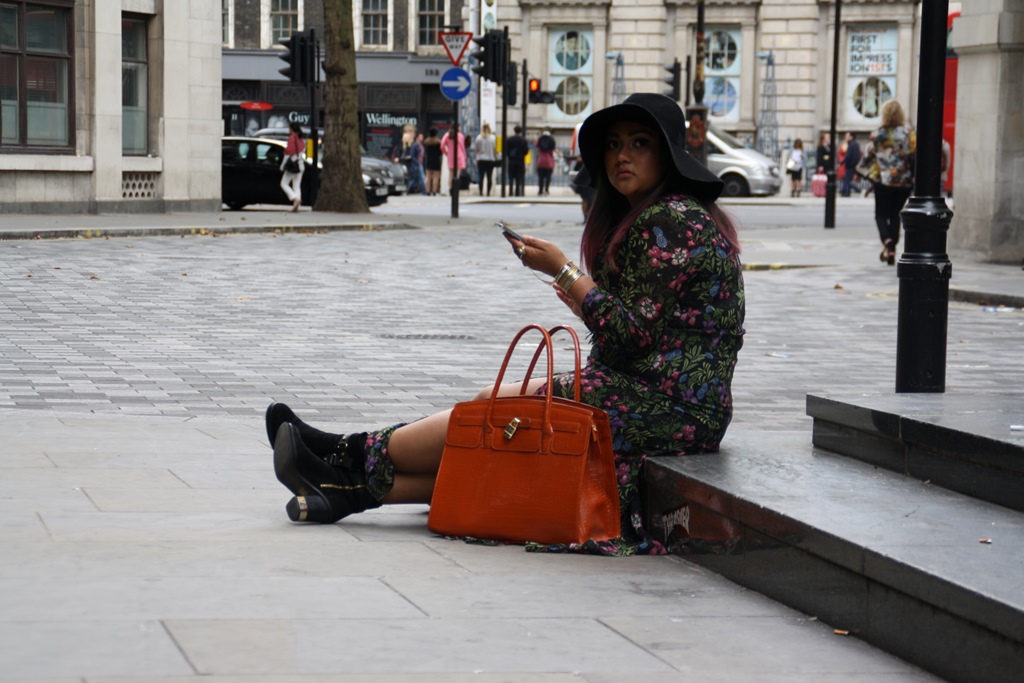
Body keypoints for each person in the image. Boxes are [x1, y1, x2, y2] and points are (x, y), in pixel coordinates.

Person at [266, 92, 745, 557]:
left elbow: (635, 336)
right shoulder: (667, 216)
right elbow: (652, 332)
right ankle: (345, 489)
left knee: (499, 418)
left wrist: (566, 272)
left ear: (669, 154)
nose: (623, 155)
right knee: (492, 415)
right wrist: (586, 302)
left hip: (670, 408)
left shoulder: (668, 219)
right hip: (657, 396)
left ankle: (342, 453)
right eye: (614, 144)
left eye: (640, 143)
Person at [866, 100, 915, 265]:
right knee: (896, 214)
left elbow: (870, 157)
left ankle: (886, 240)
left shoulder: (877, 135)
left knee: (880, 214)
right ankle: (892, 248)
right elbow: (913, 156)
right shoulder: (908, 134)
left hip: (883, 181)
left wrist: (863, 175)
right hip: (903, 181)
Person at [569, 121, 595, 219]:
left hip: (585, 177)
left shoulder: (583, 146)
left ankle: (586, 218)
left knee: (586, 199)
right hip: (588, 177)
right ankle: (587, 218)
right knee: (588, 199)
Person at [279, 122, 306, 212]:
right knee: (297, 186)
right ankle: (296, 206)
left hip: (292, 165)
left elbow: (288, 154)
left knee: (284, 184)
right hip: (300, 164)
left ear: (291, 129)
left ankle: (295, 199)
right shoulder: (301, 138)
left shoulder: (291, 138)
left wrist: (282, 166)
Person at [473, 123, 498, 196]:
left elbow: (476, 149)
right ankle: (488, 193)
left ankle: (481, 192)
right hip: (490, 160)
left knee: (481, 177)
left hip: (481, 159)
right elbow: (495, 149)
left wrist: (476, 158)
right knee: (489, 177)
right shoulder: (492, 138)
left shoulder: (479, 138)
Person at [441, 124, 467, 194]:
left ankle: (450, 189)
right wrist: (464, 157)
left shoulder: (447, 135)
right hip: (459, 156)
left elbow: (442, 146)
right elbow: (462, 147)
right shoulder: (460, 135)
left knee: (451, 174)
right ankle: (456, 189)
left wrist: (447, 153)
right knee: (457, 175)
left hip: (451, 156)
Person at [505, 125, 529, 197]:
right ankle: (518, 192)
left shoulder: (509, 139)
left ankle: (510, 191)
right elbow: (526, 150)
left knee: (511, 176)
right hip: (520, 160)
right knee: (519, 176)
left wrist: (509, 155)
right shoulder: (523, 140)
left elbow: (506, 150)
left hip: (511, 160)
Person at [535, 130, 558, 196]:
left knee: (541, 177)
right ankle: (547, 191)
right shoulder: (551, 141)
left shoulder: (540, 141)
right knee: (548, 177)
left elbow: (536, 146)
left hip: (541, 161)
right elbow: (555, 149)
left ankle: (540, 191)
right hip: (549, 162)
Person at [422, 128, 443, 196]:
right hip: (436, 161)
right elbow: (440, 152)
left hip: (428, 161)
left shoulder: (426, 142)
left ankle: (427, 191)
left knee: (428, 176)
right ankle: (434, 191)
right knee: (435, 177)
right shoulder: (438, 143)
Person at [840, 132, 861, 197]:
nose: (846, 138)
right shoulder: (856, 144)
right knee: (848, 179)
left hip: (850, 165)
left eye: (847, 136)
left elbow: (848, 156)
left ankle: (846, 192)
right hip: (854, 165)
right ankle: (847, 191)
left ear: (851, 137)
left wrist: (842, 162)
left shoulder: (851, 145)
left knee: (846, 180)